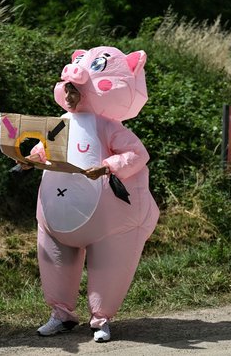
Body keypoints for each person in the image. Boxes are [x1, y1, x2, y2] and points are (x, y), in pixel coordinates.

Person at [20, 46, 159, 342]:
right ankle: (61, 314)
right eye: (68, 91)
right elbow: (45, 149)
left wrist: (108, 165)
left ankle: (101, 318)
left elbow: (137, 153)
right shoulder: (61, 121)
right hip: (57, 213)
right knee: (55, 260)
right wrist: (30, 158)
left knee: (108, 265)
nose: (70, 97)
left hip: (104, 218)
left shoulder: (107, 126)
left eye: (76, 92)